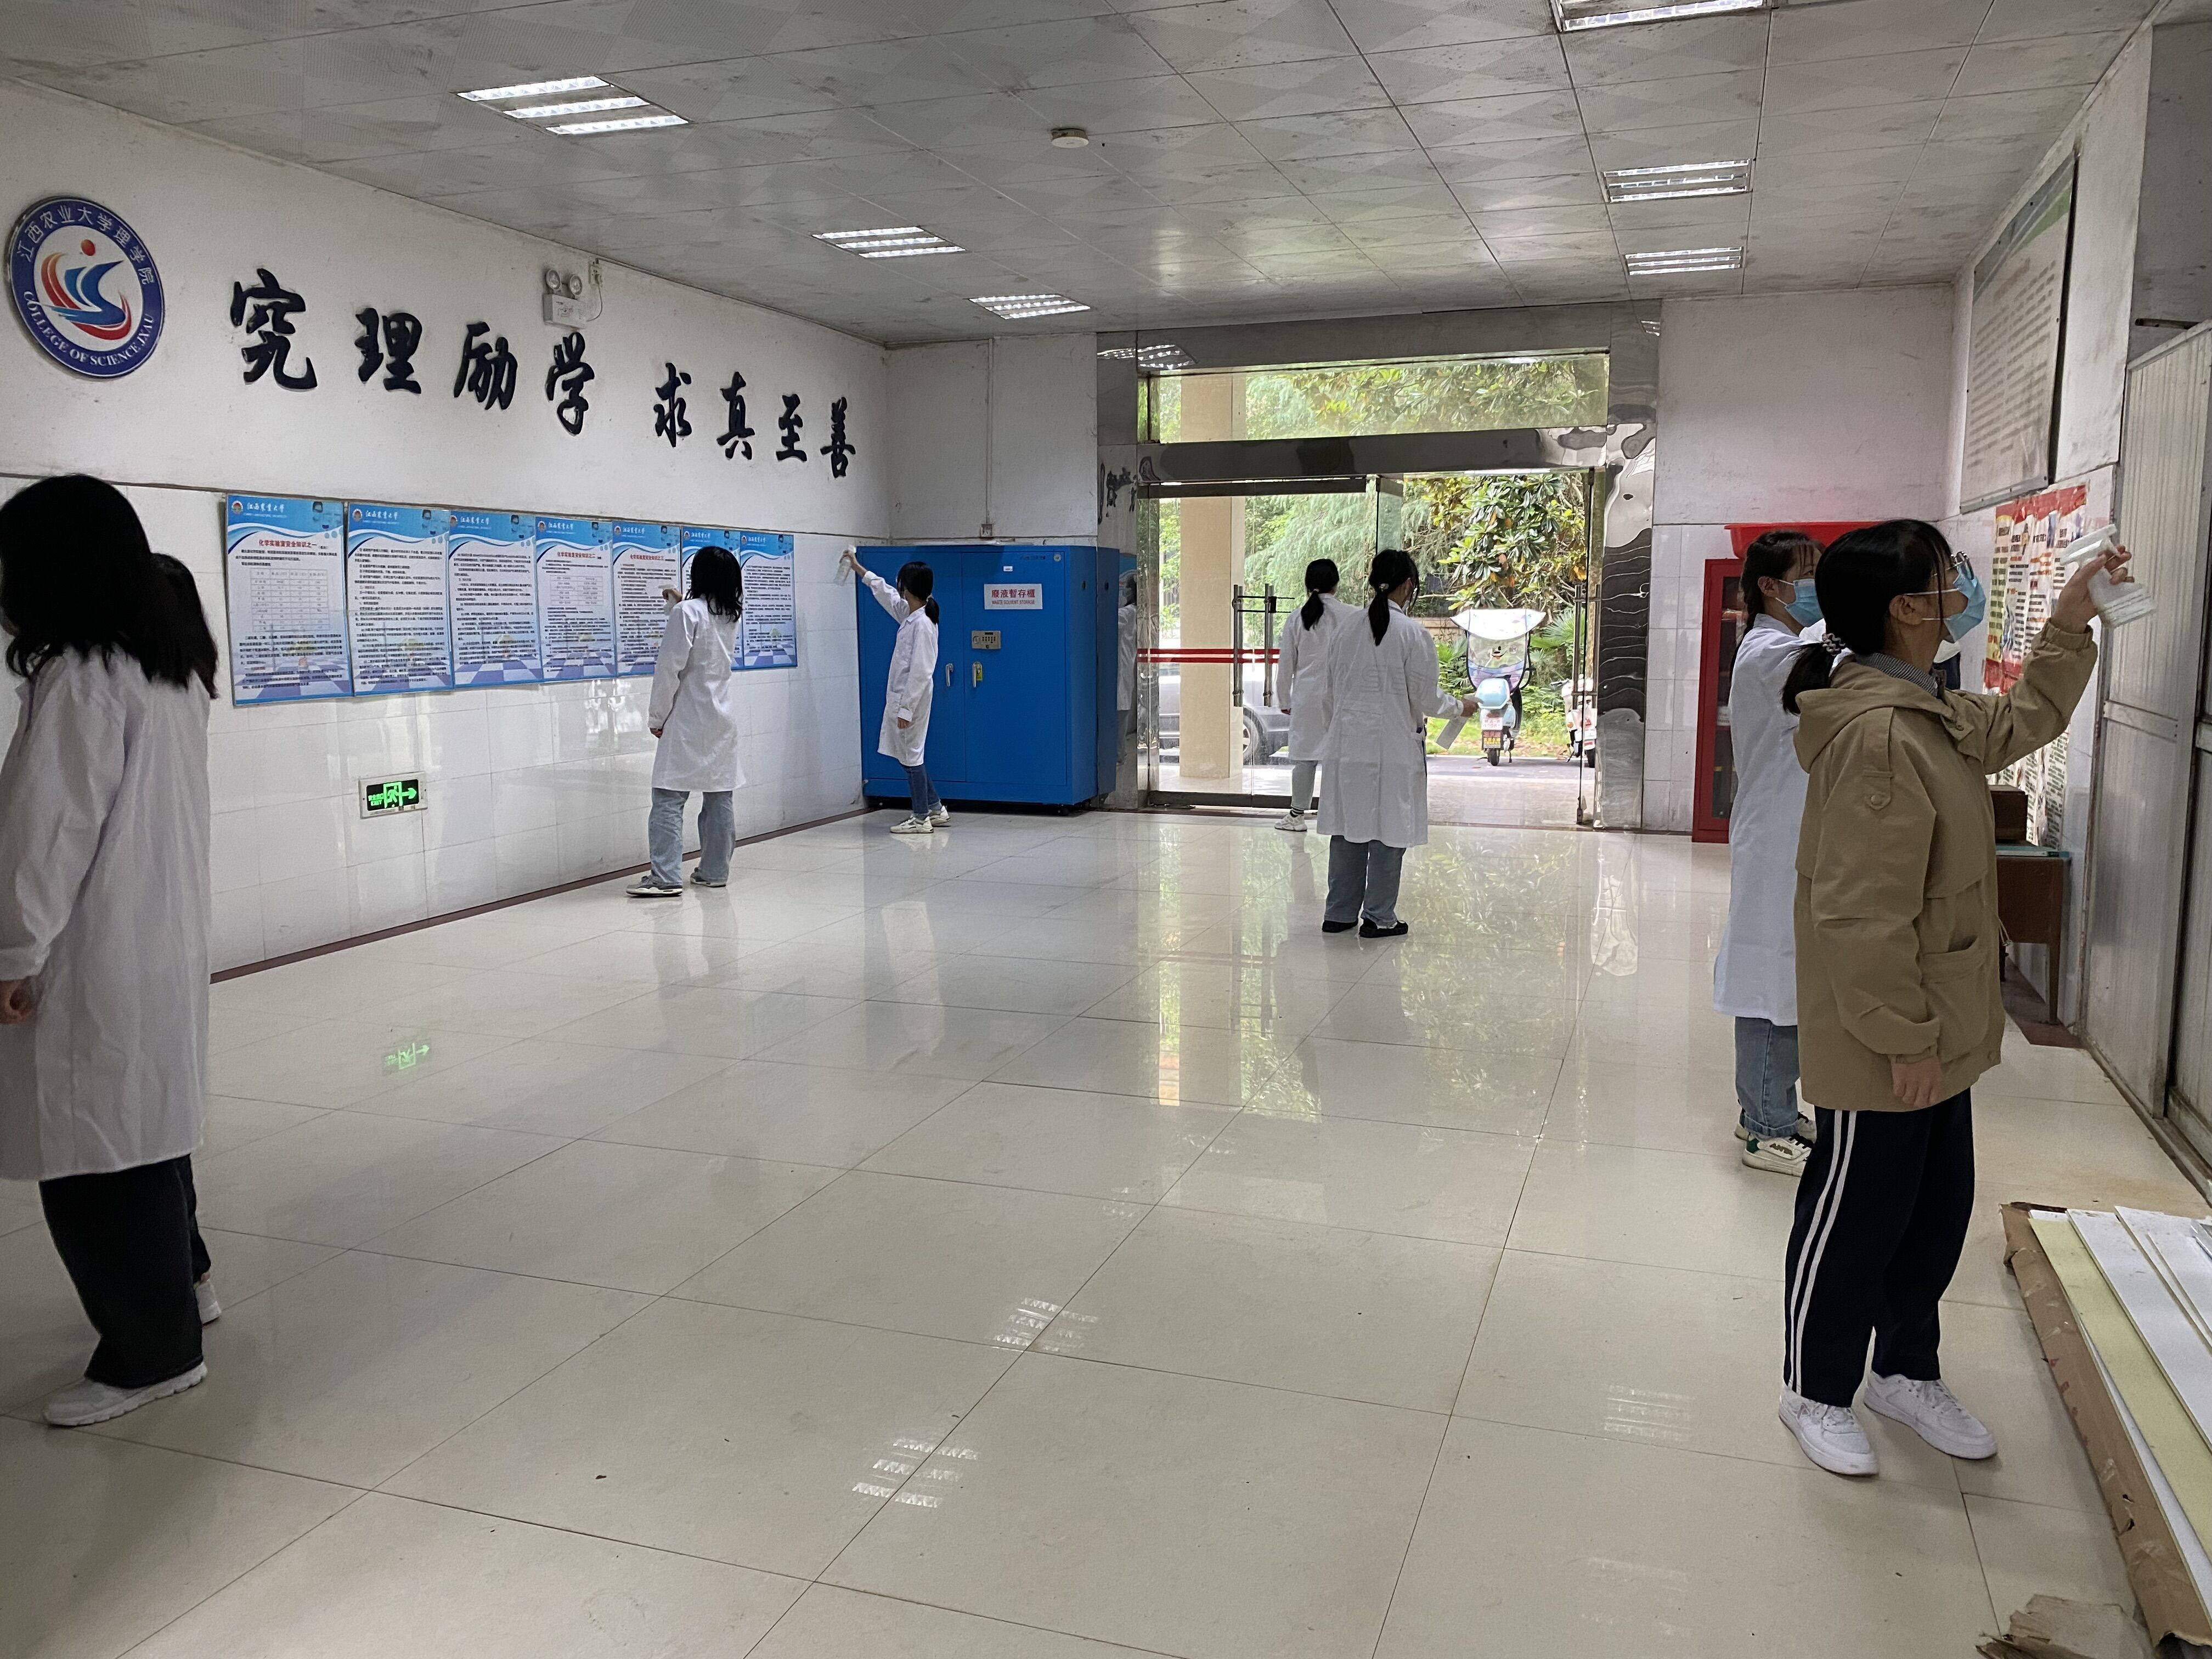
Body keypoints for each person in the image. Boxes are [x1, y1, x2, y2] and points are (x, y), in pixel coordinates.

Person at [1774, 518, 2129, 1479]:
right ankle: (1814, 1387)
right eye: (1944, 582)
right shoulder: (1878, 735)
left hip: (1941, 1022)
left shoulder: (1925, 708)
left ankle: (1903, 1370)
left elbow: (2024, 722)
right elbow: (1860, 913)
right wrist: (1901, 1037)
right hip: (1890, 1033)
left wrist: (2069, 621)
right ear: (1905, 609)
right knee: (1857, 1212)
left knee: (1931, 1210)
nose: (1956, 595)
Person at [0, 475, 218, 1427]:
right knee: (147, 1136)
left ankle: (153, 1353)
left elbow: (45, 835)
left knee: (94, 1162)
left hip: (95, 953)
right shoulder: (166, 668)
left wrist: (12, 951)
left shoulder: (81, 678)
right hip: (156, 943)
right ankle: (188, 1285)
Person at [1713, 529, 1825, 1177]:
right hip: (1775, 839)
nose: (1816, 588)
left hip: (1790, 834)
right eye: (1807, 575)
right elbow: (1847, 669)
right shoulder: (1770, 653)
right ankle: (1764, 1127)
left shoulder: (1789, 645)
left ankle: (1771, 1108)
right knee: (1768, 980)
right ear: (1769, 586)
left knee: (1786, 977)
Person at [1314, 548, 1477, 937]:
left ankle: (1339, 914)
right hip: (1392, 748)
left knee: (1348, 828)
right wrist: (1461, 707)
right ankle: (1379, 917)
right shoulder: (1411, 634)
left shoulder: (1345, 630)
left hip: (1347, 746)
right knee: (1389, 829)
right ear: (1408, 586)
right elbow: (1426, 697)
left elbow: (1328, 694)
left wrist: (1339, 731)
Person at [628, 546, 744, 898]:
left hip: (687, 720)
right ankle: (714, 871)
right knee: (719, 798)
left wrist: (656, 716)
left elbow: (670, 668)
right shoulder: (730, 614)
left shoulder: (686, 612)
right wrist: (679, 604)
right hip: (721, 719)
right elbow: (704, 635)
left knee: (668, 799)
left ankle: (665, 878)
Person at [842, 551, 943, 835]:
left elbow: (921, 672)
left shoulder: (923, 624)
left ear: (906, 587)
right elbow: (885, 594)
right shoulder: (912, 614)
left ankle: (921, 818)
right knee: (911, 755)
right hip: (907, 697)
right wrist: (859, 569)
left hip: (913, 698)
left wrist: (906, 709)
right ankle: (935, 808)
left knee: (911, 757)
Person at [1274, 557, 1352, 834]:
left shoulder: (1297, 618)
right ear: (1336, 584)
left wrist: (1284, 699)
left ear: (1307, 585)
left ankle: (1296, 816)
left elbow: (1286, 664)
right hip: (1344, 697)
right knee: (1341, 757)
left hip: (1307, 697)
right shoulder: (1353, 615)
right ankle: (1342, 815)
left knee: (1305, 759)